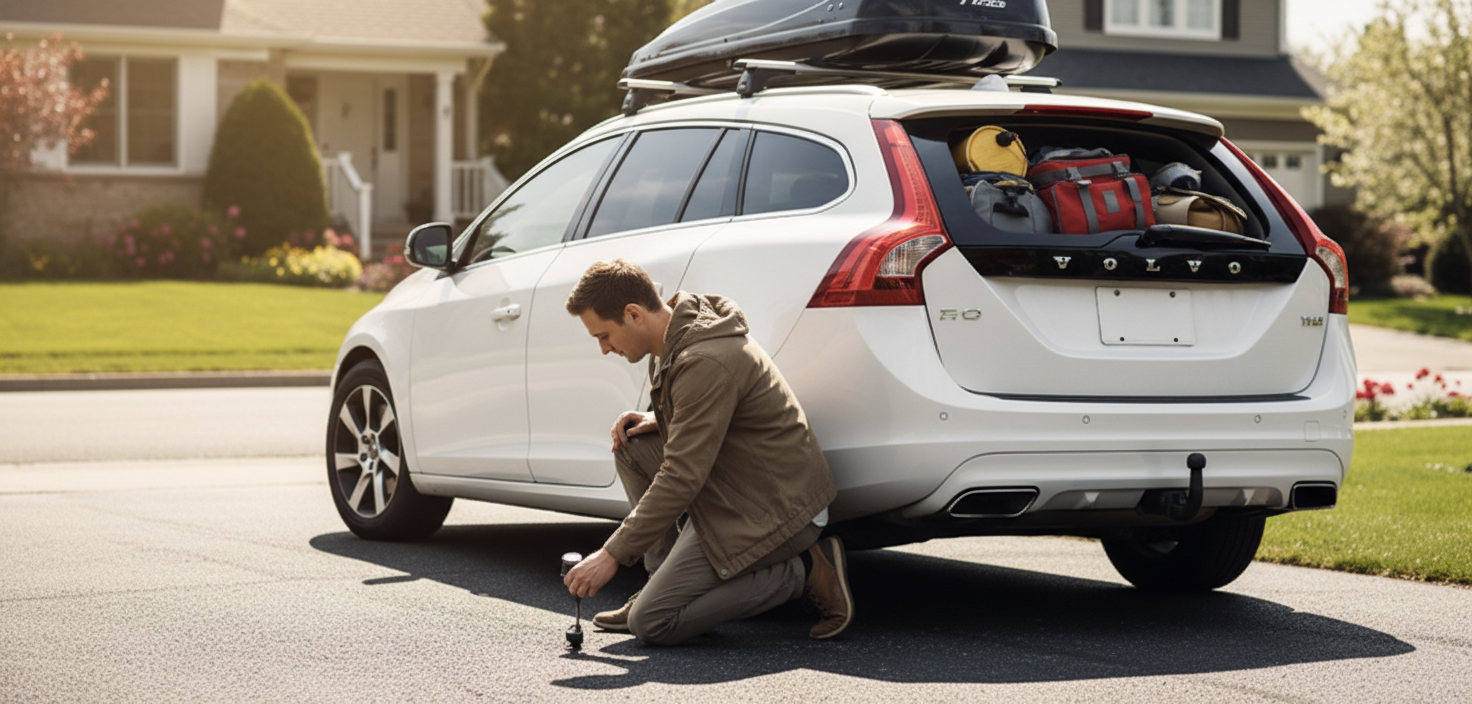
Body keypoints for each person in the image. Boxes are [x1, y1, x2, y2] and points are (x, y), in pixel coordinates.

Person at [561, 258, 852, 645]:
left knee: (653, 622)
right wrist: (661, 418)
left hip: (777, 510)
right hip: (736, 486)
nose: (603, 349)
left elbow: (681, 476)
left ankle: (801, 571)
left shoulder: (704, 359)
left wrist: (611, 554)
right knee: (632, 445)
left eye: (603, 335)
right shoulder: (675, 341)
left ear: (633, 314)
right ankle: (660, 581)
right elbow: (705, 418)